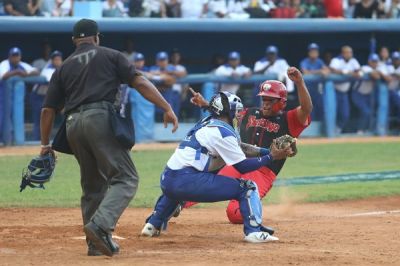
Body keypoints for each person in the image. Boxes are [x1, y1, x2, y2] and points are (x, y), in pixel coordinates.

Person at [40, 19, 178, 257]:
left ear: (74, 41)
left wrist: (44, 145)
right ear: (96, 37)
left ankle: (95, 245)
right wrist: (166, 107)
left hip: (72, 125)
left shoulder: (62, 67)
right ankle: (100, 225)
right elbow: (140, 81)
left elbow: (47, 110)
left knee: (92, 185)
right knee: (126, 178)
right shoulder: (111, 55)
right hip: (99, 118)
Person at [141, 91, 292, 243]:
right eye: (236, 110)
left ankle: (152, 224)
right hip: (188, 180)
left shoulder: (207, 122)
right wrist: (271, 157)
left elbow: (240, 148)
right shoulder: (223, 131)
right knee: (248, 187)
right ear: (227, 111)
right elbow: (243, 167)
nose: (239, 114)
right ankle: (254, 231)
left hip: (168, 179)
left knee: (176, 191)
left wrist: (267, 151)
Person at [185, 67, 312, 224]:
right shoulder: (250, 112)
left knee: (236, 214)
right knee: (201, 186)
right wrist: (205, 104)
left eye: (270, 100)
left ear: (282, 102)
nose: (265, 103)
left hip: (262, 172)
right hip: (238, 162)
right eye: (263, 99)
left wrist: (299, 82)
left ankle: (251, 202)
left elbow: (306, 109)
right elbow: (226, 112)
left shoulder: (290, 120)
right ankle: (175, 204)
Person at [0, 47, 39, 145]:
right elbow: (3, 76)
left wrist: (26, 73)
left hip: (17, 98)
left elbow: (36, 72)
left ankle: (13, 143)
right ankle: (4, 142)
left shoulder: (22, 65)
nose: (15, 58)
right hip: (3, 98)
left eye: (17, 56)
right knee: (2, 120)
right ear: (9, 57)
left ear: (20, 57)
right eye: (13, 56)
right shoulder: (4, 64)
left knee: (16, 120)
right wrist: (17, 72)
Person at [352, 53, 390, 134]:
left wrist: (380, 72)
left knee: (371, 112)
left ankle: (366, 129)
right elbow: (376, 76)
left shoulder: (379, 68)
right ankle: (360, 130)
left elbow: (388, 79)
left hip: (368, 95)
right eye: (373, 61)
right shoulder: (365, 68)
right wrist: (379, 72)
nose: (374, 63)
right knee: (366, 111)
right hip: (358, 93)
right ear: (369, 62)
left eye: (376, 62)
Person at [31, 50, 63, 140]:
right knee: (39, 119)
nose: (58, 61)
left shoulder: (61, 68)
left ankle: (46, 140)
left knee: (49, 119)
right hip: (38, 96)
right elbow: (53, 84)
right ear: (52, 61)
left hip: (48, 96)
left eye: (59, 59)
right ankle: (36, 141)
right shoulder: (48, 69)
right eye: (56, 59)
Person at [329, 45, 361, 134]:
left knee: (345, 114)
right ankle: (329, 131)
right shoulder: (336, 60)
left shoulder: (353, 61)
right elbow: (332, 70)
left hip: (344, 93)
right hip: (334, 91)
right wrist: (347, 72)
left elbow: (358, 70)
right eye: (347, 52)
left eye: (350, 52)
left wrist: (356, 73)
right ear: (342, 53)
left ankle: (337, 130)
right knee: (332, 112)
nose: (349, 54)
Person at [300, 43, 330, 121]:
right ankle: (309, 129)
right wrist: (319, 71)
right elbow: (305, 72)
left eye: (315, 51)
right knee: (309, 110)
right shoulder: (304, 61)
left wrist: (323, 71)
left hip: (317, 89)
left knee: (321, 108)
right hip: (307, 89)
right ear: (309, 53)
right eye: (312, 51)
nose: (314, 53)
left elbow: (326, 71)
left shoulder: (319, 61)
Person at [149, 51, 178, 119]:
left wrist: (160, 75)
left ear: (167, 60)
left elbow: (172, 80)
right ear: (157, 61)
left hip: (168, 100)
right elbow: (149, 76)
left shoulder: (171, 68)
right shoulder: (153, 68)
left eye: (164, 60)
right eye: (160, 60)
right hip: (156, 101)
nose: (162, 62)